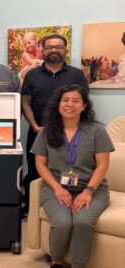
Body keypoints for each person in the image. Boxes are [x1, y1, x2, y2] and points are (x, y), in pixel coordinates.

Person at [31, 84, 114, 268]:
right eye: (65, 100)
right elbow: (40, 164)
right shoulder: (46, 132)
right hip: (54, 187)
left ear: (84, 106)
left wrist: (88, 191)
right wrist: (58, 188)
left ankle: (78, 265)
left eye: (76, 100)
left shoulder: (97, 131)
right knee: (62, 223)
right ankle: (56, 260)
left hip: (93, 188)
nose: (70, 104)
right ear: (58, 104)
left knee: (82, 221)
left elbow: (103, 165)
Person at [21, 34, 89, 218]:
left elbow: (83, 102)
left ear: (65, 51)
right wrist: (34, 125)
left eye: (58, 47)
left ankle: (64, 205)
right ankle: (30, 207)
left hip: (69, 134)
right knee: (34, 171)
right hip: (39, 132)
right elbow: (25, 101)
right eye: (49, 47)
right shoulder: (32, 74)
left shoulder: (76, 74)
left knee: (66, 169)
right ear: (42, 50)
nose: (54, 50)